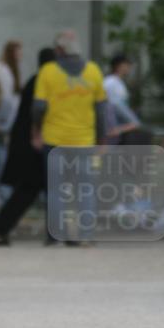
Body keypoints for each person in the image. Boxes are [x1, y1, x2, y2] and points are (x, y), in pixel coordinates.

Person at [32, 30, 107, 244]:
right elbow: (101, 109)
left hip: (54, 140)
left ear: (59, 50)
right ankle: (86, 235)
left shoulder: (48, 72)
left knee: (56, 189)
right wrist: (102, 138)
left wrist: (36, 131)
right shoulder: (93, 71)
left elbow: (38, 107)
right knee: (86, 189)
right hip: (85, 141)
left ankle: (56, 235)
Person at [0, 47, 55, 244]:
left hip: (25, 145)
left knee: (27, 190)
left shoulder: (34, 80)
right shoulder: (45, 81)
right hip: (34, 146)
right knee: (30, 189)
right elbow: (38, 112)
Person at [103, 53, 141, 142]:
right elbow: (113, 105)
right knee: (135, 123)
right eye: (127, 65)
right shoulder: (110, 82)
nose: (129, 68)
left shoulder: (118, 82)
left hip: (118, 122)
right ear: (119, 66)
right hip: (112, 123)